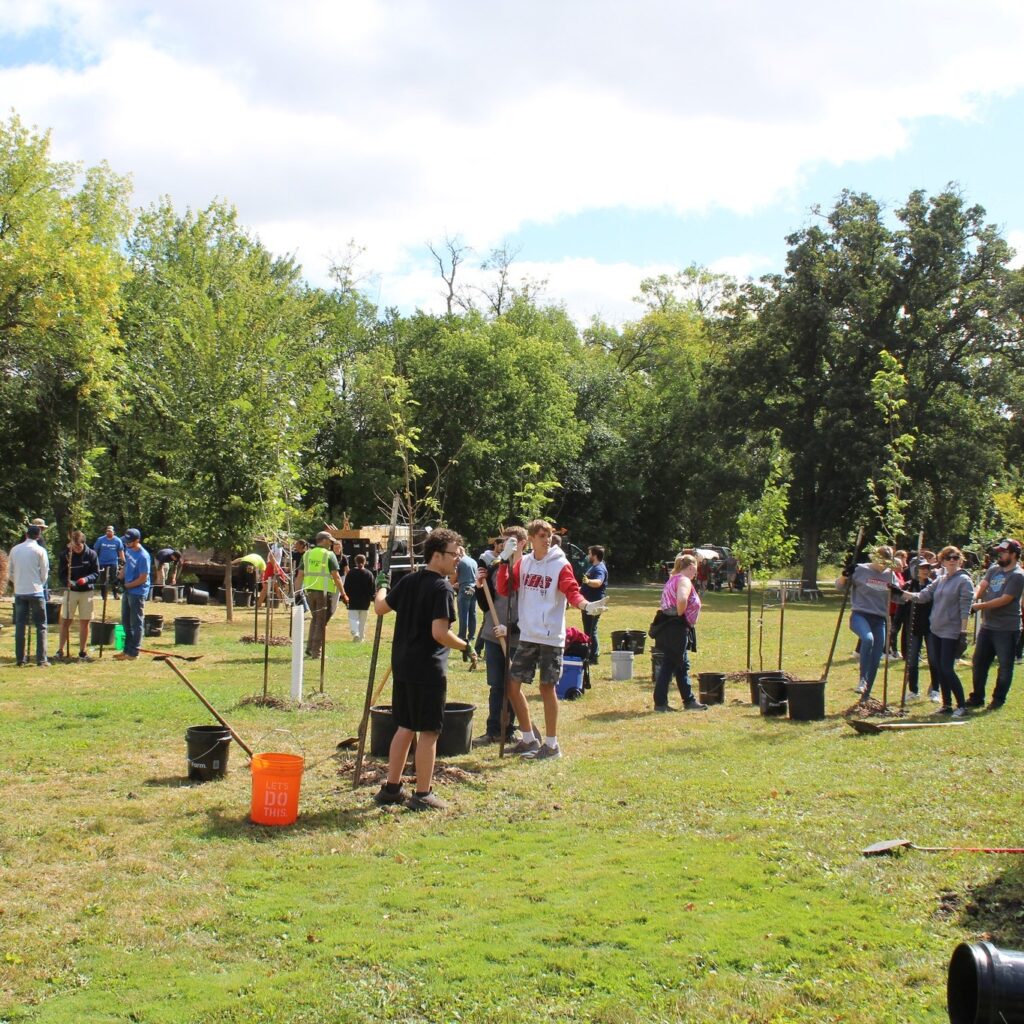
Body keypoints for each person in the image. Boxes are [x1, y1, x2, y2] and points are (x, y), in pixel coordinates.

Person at [371, 528, 472, 811]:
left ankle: (392, 788)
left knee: (405, 726)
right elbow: (440, 633)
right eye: (454, 554)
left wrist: (381, 584)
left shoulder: (409, 580)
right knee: (429, 731)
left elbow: (380, 607)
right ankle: (423, 794)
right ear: (437, 555)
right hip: (427, 669)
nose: (457, 560)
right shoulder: (441, 588)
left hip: (403, 665)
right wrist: (466, 646)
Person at [496, 519, 608, 760]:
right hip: (528, 634)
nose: (546, 539)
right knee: (512, 686)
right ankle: (528, 739)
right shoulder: (524, 563)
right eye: (541, 535)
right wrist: (505, 561)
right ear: (531, 540)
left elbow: (571, 590)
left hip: (550, 637)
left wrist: (586, 606)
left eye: (548, 535)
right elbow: (505, 588)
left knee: (546, 687)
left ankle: (552, 745)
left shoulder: (560, 564)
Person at [901, 546, 974, 716]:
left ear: (960, 560)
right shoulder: (940, 580)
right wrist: (900, 592)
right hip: (935, 630)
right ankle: (946, 705)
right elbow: (923, 596)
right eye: (948, 557)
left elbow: (966, 609)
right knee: (940, 669)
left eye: (956, 557)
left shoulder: (964, 580)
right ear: (942, 560)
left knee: (947, 669)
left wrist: (963, 633)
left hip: (951, 631)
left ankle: (961, 706)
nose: (952, 560)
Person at [473, 526, 525, 745]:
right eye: (503, 541)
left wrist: (512, 628)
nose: (504, 545)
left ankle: (510, 729)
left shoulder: (529, 569)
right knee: (496, 685)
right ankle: (493, 730)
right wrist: (479, 587)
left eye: (510, 541)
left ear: (523, 543)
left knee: (512, 685)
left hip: (518, 638)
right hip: (493, 634)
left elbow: (532, 609)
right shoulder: (495, 567)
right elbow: (487, 605)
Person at [836, 545, 900, 701]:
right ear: (874, 557)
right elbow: (839, 586)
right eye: (881, 560)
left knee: (877, 655)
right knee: (868, 639)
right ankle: (862, 679)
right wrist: (845, 575)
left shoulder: (890, 575)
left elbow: (897, 598)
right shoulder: (860, 570)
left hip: (880, 619)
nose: (883, 564)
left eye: (887, 561)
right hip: (860, 615)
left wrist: (900, 592)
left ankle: (866, 695)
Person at [968, 538, 1024, 710]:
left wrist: (979, 606)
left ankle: (998, 699)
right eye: (999, 552)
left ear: (1013, 554)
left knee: (1005, 666)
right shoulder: (994, 570)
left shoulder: (1018, 575)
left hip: (1007, 629)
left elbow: (1005, 599)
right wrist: (973, 596)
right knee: (978, 663)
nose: (999, 555)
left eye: (1003, 552)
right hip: (988, 626)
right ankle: (977, 697)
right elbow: (982, 586)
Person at [649, 554, 707, 711]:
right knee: (670, 664)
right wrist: (682, 615)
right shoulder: (684, 580)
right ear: (690, 567)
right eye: (696, 567)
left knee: (681, 664)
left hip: (670, 627)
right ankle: (660, 703)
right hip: (676, 627)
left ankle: (689, 701)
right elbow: (682, 599)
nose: (696, 571)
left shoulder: (673, 579)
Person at [295, 532, 344, 660]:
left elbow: (300, 575)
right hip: (324, 592)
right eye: (330, 541)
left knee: (315, 619)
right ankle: (316, 652)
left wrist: (296, 593)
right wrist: (343, 593)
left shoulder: (307, 554)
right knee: (321, 622)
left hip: (309, 592)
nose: (331, 543)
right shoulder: (329, 555)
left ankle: (310, 648)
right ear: (324, 540)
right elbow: (336, 576)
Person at [10, 523, 50, 667]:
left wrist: (17, 583)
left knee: (20, 625)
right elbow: (45, 572)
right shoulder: (40, 550)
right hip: (36, 591)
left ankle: (20, 659)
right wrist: (39, 583)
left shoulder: (15, 550)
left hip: (20, 591)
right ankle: (41, 659)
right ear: (38, 536)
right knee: (41, 625)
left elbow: (10, 572)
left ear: (26, 534)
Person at [56, 531, 99, 662]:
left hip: (86, 592)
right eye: (74, 547)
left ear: (83, 543)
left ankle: (82, 651)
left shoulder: (91, 554)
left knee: (85, 622)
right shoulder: (66, 555)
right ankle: (60, 650)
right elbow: (61, 574)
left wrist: (86, 579)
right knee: (65, 621)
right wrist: (67, 582)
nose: (76, 549)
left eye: (78, 547)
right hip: (71, 592)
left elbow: (96, 573)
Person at [903, 558, 938, 702]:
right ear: (915, 570)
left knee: (933, 659)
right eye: (922, 568)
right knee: (912, 660)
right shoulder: (909, 586)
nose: (925, 570)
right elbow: (901, 606)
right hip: (913, 627)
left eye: (927, 568)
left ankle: (935, 690)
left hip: (930, 627)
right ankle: (913, 690)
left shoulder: (934, 586)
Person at [115, 529, 150, 661]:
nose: (127, 544)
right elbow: (126, 566)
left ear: (137, 541)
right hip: (128, 590)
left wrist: (127, 585)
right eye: (126, 541)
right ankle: (126, 650)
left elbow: (143, 578)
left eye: (130, 542)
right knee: (125, 621)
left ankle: (134, 652)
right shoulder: (129, 550)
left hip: (137, 592)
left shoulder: (143, 556)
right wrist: (119, 578)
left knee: (136, 622)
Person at [580, 545, 608, 665]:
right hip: (588, 603)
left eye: (589, 553)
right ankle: (590, 654)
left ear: (595, 555)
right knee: (588, 629)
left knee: (591, 630)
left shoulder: (599, 569)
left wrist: (588, 581)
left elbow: (598, 582)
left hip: (594, 603)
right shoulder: (594, 567)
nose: (588, 556)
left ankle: (594, 656)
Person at [455, 545, 479, 664]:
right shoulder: (473, 561)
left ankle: (462, 636)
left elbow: (455, 576)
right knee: (473, 613)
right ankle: (471, 636)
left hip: (464, 588)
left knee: (463, 614)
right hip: (474, 588)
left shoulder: (460, 563)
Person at [343, 553, 375, 641]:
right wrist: (371, 598)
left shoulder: (351, 573)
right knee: (362, 622)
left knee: (353, 618)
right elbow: (372, 589)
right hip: (365, 602)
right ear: (365, 562)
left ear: (355, 562)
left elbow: (346, 587)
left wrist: (345, 597)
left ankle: (355, 633)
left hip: (353, 600)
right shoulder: (369, 574)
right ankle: (361, 638)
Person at [94, 525, 125, 598]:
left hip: (113, 562)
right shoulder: (100, 540)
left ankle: (115, 594)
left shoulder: (118, 540)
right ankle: (103, 595)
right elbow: (95, 550)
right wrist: (94, 560)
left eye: (110, 531)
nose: (109, 532)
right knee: (103, 579)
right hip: (102, 562)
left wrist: (123, 561)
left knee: (114, 578)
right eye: (107, 531)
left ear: (113, 532)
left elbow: (121, 551)